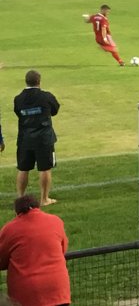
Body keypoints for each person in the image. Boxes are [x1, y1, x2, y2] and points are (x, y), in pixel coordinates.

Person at [0, 195, 70, 306]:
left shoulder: (9, 229)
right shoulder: (56, 221)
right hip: (58, 290)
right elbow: (63, 248)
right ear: (37, 207)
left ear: (17, 212)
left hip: (28, 295)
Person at [14, 71, 60, 208]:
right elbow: (55, 110)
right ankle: (44, 199)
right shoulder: (46, 96)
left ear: (26, 81)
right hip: (43, 138)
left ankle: (20, 199)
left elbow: (18, 113)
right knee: (45, 168)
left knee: (23, 168)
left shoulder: (18, 98)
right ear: (39, 81)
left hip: (25, 138)